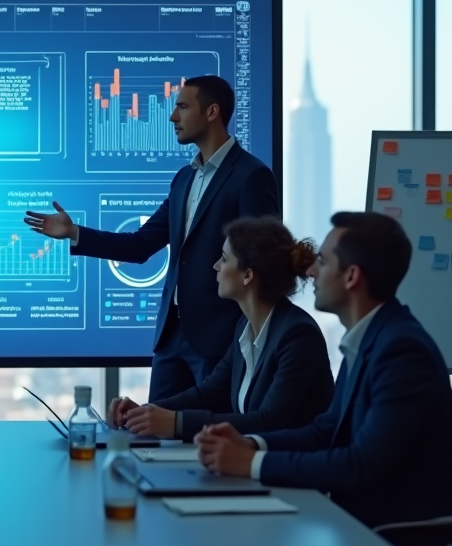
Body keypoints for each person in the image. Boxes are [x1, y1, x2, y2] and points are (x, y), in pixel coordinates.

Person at [195, 212, 452, 528]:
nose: (310, 270)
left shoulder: (402, 351)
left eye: (322, 262)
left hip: (401, 540)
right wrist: (252, 445)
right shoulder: (371, 338)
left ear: (351, 277)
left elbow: (360, 465)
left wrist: (251, 463)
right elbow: (327, 430)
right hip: (360, 525)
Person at [25, 76, 279, 399]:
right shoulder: (184, 179)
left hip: (220, 339)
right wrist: (75, 233)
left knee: (209, 437)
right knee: (155, 435)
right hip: (170, 337)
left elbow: (262, 259)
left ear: (212, 112)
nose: (173, 116)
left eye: (183, 107)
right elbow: (141, 245)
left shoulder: (251, 176)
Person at [109, 216, 333, 441]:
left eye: (224, 259)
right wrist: (145, 411)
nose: (216, 266)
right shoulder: (245, 326)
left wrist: (176, 423)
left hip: (289, 470)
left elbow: (268, 421)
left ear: (247, 275)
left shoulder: (298, 335)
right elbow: (209, 393)